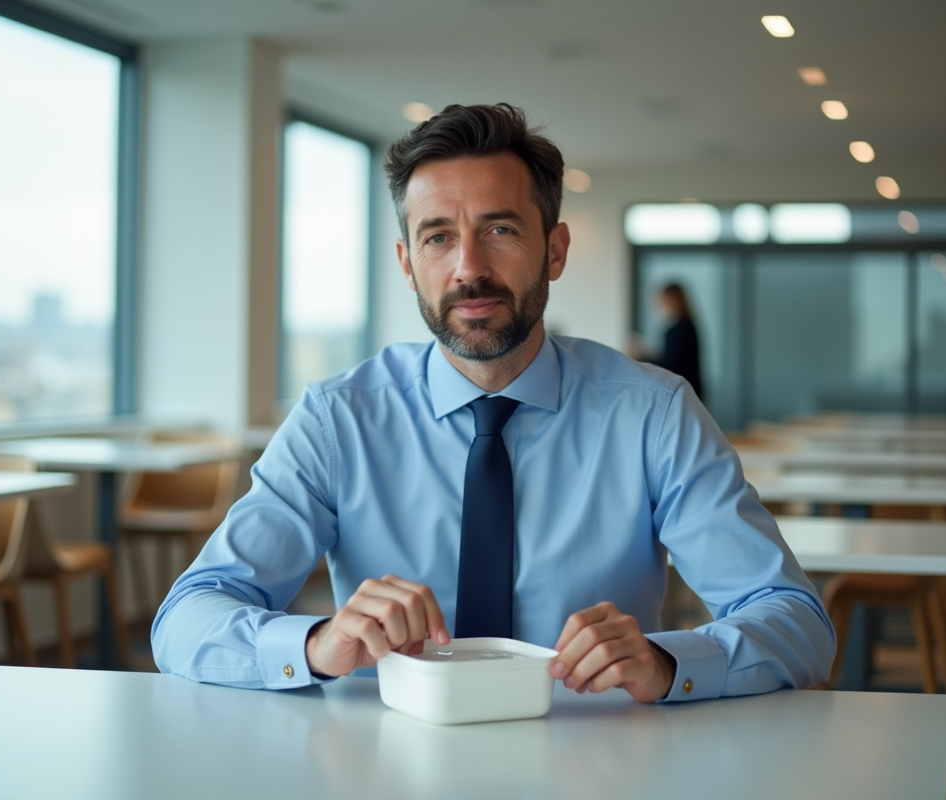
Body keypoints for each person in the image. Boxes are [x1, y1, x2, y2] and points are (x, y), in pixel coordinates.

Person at [152, 104, 833, 703]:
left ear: (554, 250)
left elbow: (797, 621)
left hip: (596, 766)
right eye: (438, 237)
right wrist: (315, 644)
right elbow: (186, 618)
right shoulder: (337, 420)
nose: (469, 268)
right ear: (407, 263)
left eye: (500, 230)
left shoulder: (654, 415)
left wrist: (667, 661)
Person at [638, 283, 703, 401]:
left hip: (683, 392)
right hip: (687, 390)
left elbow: (670, 364)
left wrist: (643, 357)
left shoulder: (681, 329)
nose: (662, 306)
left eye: (664, 302)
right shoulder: (686, 326)